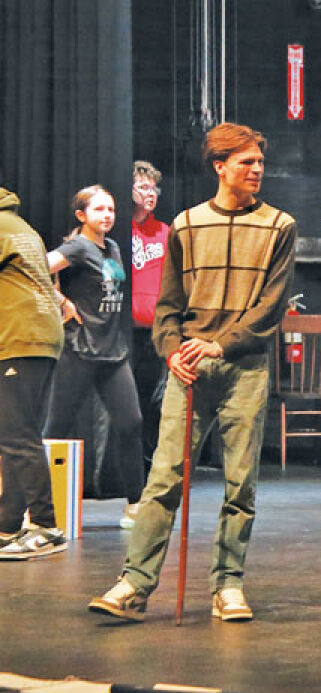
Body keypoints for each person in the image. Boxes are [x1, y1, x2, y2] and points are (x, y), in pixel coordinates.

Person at [88, 122, 296, 622]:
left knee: (240, 484)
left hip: (243, 367)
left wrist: (219, 344)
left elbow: (270, 308)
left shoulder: (279, 226)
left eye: (260, 162)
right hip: (189, 367)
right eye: (246, 162)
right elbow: (168, 305)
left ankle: (228, 586)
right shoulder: (186, 224)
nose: (257, 170)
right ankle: (134, 584)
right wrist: (171, 351)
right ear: (220, 166)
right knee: (163, 478)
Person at [43, 186, 144, 526]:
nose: (107, 215)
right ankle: (36, 505)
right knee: (57, 426)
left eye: (111, 209)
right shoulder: (77, 247)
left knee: (131, 423)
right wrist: (62, 301)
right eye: (99, 209)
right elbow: (36, 269)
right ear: (81, 215)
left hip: (113, 352)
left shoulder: (112, 246)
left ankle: (135, 503)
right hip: (79, 350)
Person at [0, 186, 66, 559]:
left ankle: (46, 526)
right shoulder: (22, 227)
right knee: (16, 434)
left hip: (19, 339)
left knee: (17, 436)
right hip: (40, 339)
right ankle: (7, 525)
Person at [130, 160, 170, 520]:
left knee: (153, 407)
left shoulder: (164, 233)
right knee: (130, 410)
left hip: (155, 334)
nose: (151, 193)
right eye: (143, 187)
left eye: (154, 188)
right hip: (123, 333)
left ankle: (148, 484)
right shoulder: (119, 229)